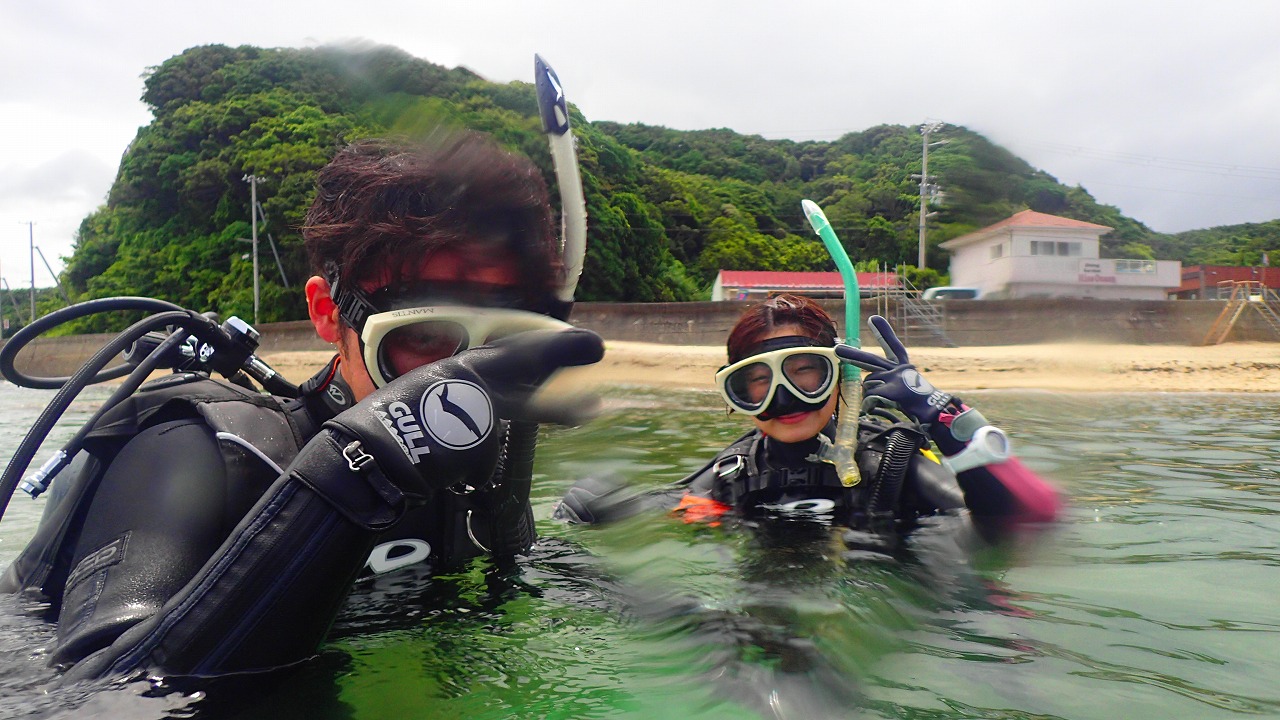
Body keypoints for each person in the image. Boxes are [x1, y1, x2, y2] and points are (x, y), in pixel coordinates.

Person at [0, 132, 604, 683]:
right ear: (327, 311)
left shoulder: (490, 475)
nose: (459, 383)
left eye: (504, 340)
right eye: (423, 336)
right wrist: (361, 468)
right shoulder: (198, 453)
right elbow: (99, 697)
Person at [556, 293, 1059, 545]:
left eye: (806, 374)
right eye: (759, 383)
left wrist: (947, 421)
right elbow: (673, 504)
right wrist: (599, 509)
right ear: (736, 393)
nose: (784, 399)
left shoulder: (888, 460)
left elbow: (1011, 526)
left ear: (842, 377)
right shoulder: (736, 471)